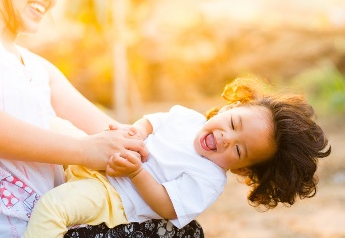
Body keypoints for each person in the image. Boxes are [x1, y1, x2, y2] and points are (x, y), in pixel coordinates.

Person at [23, 77, 331, 238]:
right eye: (234, 123)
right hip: (102, 157)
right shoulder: (186, 117)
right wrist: (135, 134)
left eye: (239, 150)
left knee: (55, 207)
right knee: (49, 127)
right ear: (228, 108)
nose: (227, 138)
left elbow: (166, 206)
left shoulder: (209, 179)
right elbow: (150, 123)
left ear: (243, 167)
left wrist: (136, 173)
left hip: (111, 194)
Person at [1, 0, 204, 237]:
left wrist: (189, 158)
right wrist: (85, 150)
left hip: (55, 223)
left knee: (185, 231)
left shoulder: (38, 67)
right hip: (10, 224)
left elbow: (111, 131)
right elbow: (92, 147)